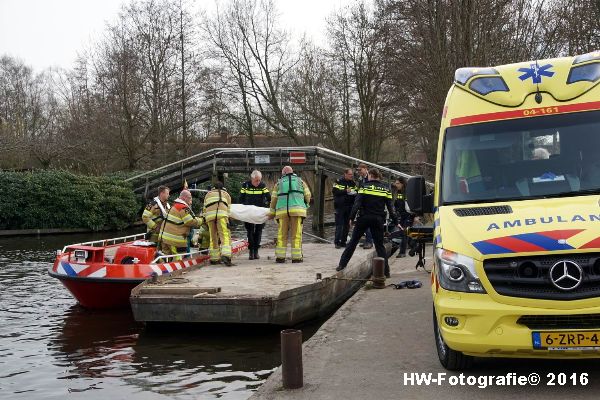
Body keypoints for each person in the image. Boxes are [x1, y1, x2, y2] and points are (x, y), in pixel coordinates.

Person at [336, 168, 397, 277]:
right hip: (378, 220)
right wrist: (396, 221)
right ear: (378, 177)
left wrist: (351, 218)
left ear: (370, 175)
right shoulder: (386, 189)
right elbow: (391, 208)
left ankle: (342, 265)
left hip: (364, 218)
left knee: (353, 242)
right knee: (379, 246)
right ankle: (386, 272)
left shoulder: (364, 187)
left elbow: (356, 204)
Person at [268, 166, 311, 263]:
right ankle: (296, 258)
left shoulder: (278, 184)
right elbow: (308, 195)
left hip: (282, 213)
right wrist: (305, 205)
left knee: (281, 235)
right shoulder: (301, 182)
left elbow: (273, 200)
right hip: (297, 211)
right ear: (292, 172)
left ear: (283, 173)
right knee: (296, 235)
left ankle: (280, 257)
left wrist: (272, 213)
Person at [158, 190, 203, 258]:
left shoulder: (175, 205)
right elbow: (190, 221)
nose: (191, 199)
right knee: (178, 259)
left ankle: (160, 262)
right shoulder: (183, 208)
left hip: (165, 238)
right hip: (175, 240)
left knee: (167, 258)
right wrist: (202, 220)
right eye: (190, 197)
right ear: (184, 198)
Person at [239, 170, 271, 260]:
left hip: (260, 213)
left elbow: (269, 197)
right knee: (250, 232)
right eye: (256, 180)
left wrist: (269, 208)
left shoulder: (262, 185)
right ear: (252, 179)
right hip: (248, 213)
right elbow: (241, 199)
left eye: (259, 180)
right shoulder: (245, 185)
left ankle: (256, 251)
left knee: (258, 231)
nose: (258, 182)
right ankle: (251, 252)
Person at [203, 182, 233, 266]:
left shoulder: (208, 194)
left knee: (213, 237)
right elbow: (228, 209)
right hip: (222, 216)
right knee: (224, 235)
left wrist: (205, 219)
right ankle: (226, 255)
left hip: (210, 217)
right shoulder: (226, 194)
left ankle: (214, 259)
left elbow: (204, 209)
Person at [332, 168, 357, 249]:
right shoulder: (338, 181)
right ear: (345, 174)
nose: (351, 176)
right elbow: (335, 192)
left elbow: (356, 192)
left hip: (349, 206)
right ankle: (337, 242)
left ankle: (343, 242)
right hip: (340, 206)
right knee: (339, 225)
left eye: (352, 174)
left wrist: (354, 194)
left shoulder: (353, 183)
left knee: (347, 225)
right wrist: (346, 191)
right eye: (350, 174)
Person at [392, 177, 414, 258]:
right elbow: (397, 203)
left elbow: (412, 205)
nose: (396, 185)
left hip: (409, 215)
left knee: (404, 233)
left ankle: (402, 252)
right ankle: (414, 245)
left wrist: (415, 216)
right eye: (396, 183)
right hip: (402, 216)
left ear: (402, 184)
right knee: (404, 232)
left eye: (398, 183)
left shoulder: (408, 192)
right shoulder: (398, 192)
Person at [356, 163, 374, 249]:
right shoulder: (361, 179)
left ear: (365, 169)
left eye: (360, 170)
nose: (359, 172)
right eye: (358, 170)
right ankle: (367, 240)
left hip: (369, 204)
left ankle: (370, 242)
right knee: (364, 223)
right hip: (362, 204)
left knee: (368, 224)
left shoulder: (370, 177)